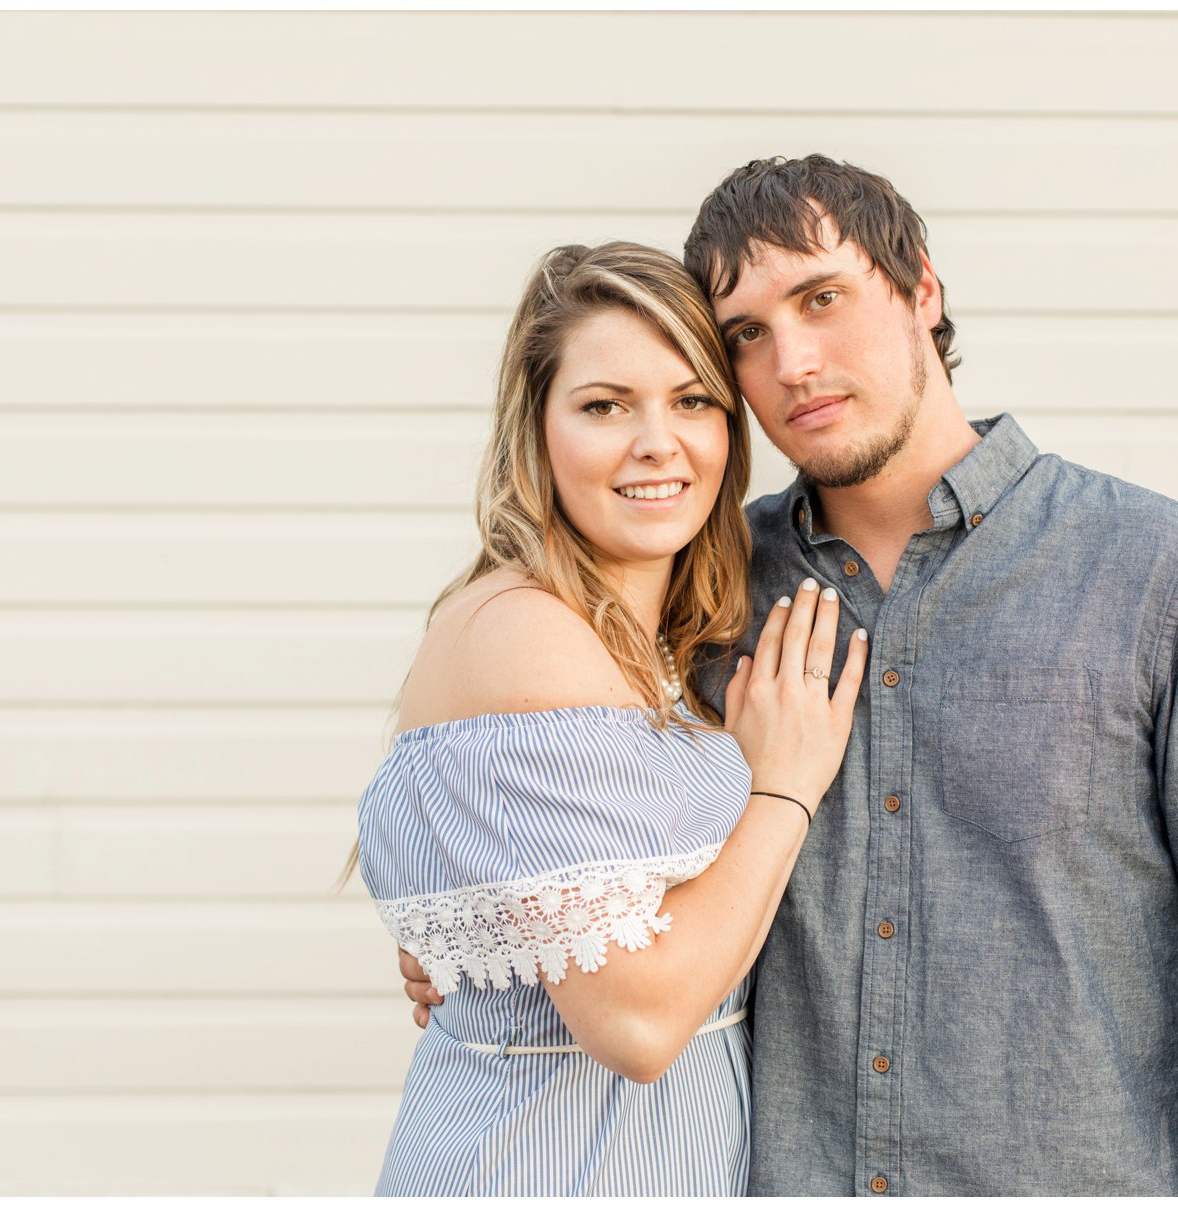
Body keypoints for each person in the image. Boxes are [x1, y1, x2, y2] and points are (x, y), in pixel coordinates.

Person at [403, 158, 1178, 1196]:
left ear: (923, 291)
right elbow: (576, 856)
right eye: (747, 335)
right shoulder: (702, 593)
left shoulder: (1157, 573)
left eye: (822, 298)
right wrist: (485, 933)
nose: (794, 360)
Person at [350, 241, 867, 1195]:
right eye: (604, 405)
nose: (656, 442)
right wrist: (784, 785)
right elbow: (635, 1024)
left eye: (691, 400)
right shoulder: (527, 634)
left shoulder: (641, 640)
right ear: (536, 427)